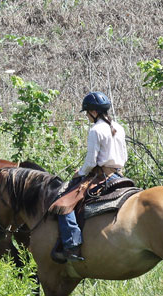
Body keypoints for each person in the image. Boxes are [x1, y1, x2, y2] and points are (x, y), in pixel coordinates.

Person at [54, 91, 127, 262]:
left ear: (93, 112)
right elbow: (124, 156)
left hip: (101, 176)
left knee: (63, 203)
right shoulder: (119, 127)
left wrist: (79, 172)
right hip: (119, 175)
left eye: (87, 112)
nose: (87, 116)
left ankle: (72, 245)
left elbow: (91, 161)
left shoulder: (95, 130)